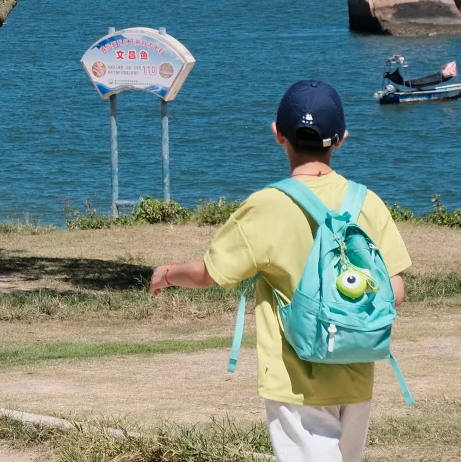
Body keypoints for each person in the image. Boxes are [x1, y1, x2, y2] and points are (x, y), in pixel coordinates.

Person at [148, 80, 411, 462]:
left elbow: (209, 273)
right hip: (356, 371)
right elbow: (395, 292)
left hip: (294, 381)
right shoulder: (366, 202)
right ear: (341, 139)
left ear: (277, 135)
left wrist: (168, 273)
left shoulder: (267, 206)